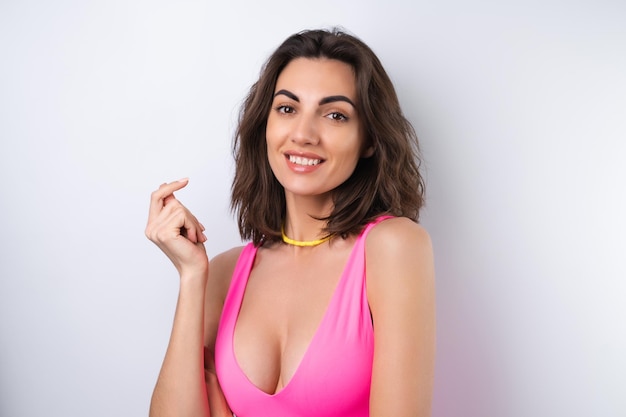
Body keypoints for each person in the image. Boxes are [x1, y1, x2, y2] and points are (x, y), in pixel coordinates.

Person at [145, 28, 435, 417]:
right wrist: (192, 275)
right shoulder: (225, 272)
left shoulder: (393, 247)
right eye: (287, 108)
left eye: (335, 115)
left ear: (369, 139)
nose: (303, 134)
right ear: (265, 123)